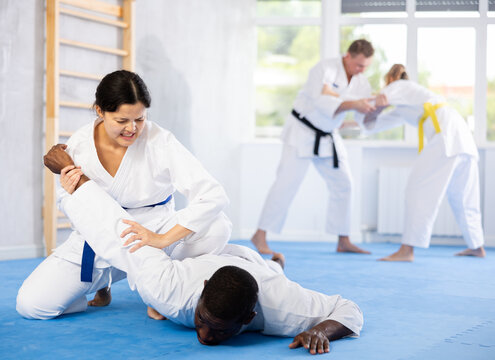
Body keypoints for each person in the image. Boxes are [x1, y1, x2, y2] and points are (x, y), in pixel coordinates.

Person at [28, 145, 364, 355]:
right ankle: (269, 262)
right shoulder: (171, 291)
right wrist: (71, 173)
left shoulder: (283, 310)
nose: (205, 335)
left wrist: (322, 329)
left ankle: (272, 263)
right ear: (201, 294)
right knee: (212, 227)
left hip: (249, 267)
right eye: (203, 320)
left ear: (248, 319)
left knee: (269, 271)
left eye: (220, 329)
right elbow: (115, 225)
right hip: (184, 263)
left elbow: (347, 309)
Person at [16, 70, 232, 320]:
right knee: (32, 304)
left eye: (140, 119)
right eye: (121, 121)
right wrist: (69, 189)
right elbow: (78, 210)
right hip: (98, 241)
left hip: (154, 236)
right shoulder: (79, 145)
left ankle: (159, 291)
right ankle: (105, 283)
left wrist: (163, 239)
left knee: (217, 226)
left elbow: (213, 195)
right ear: (100, 111)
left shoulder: (160, 141)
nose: (132, 129)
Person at [251, 39, 376, 255]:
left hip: (329, 136)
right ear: (347, 56)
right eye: (358, 65)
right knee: (286, 183)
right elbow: (322, 101)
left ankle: (343, 239)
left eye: (365, 66)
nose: (361, 70)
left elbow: (362, 115)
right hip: (302, 131)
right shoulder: (325, 68)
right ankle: (260, 235)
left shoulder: (361, 82)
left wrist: (376, 110)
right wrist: (354, 103)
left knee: (344, 184)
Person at [360, 64, 485, 262]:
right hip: (460, 136)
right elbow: (372, 124)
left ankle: (407, 250)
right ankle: (477, 246)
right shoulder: (408, 103)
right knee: (462, 196)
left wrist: (349, 105)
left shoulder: (400, 85)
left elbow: (377, 101)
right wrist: (367, 116)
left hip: (445, 136)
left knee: (418, 189)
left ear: (390, 79)